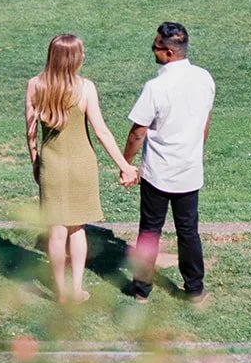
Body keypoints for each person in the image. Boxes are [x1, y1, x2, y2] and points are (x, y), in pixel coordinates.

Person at [25, 33, 136, 304]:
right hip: (81, 165)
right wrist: (125, 166)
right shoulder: (85, 88)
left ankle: (61, 293)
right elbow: (102, 133)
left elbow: (29, 133)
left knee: (56, 231)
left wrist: (36, 162)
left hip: (52, 163)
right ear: (77, 58)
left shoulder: (35, 85)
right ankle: (76, 289)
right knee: (77, 230)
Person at [121, 22, 215, 303]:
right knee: (189, 231)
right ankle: (195, 288)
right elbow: (205, 123)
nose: (153, 51)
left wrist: (126, 163)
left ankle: (141, 291)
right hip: (189, 170)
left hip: (158, 172)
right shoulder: (204, 79)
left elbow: (138, 132)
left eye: (156, 47)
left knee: (150, 230)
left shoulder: (156, 87)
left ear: (170, 53)